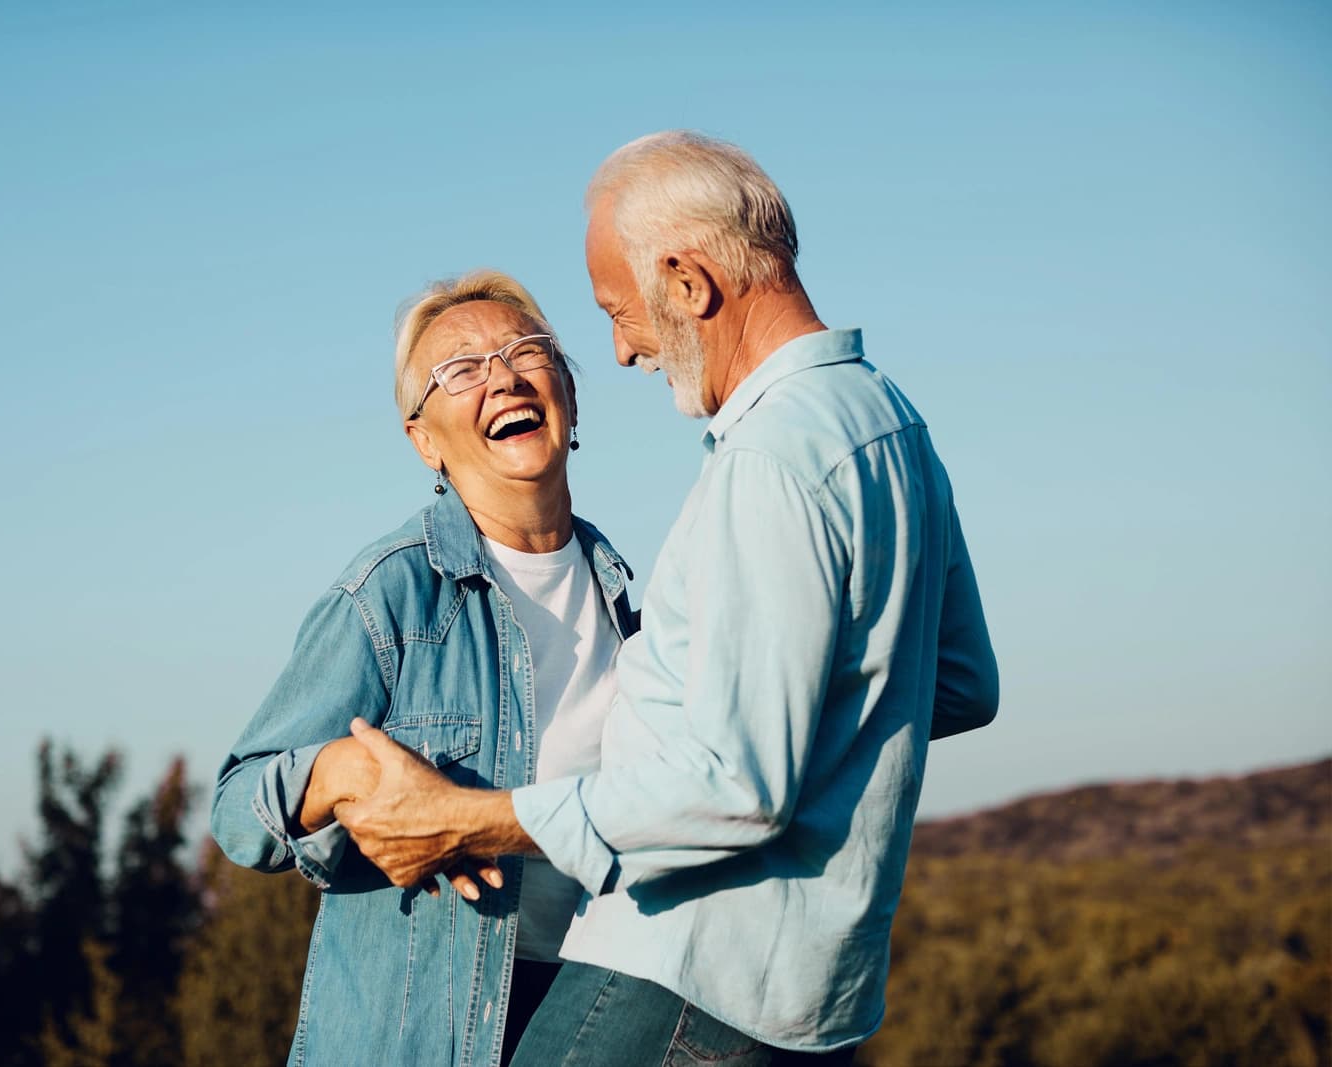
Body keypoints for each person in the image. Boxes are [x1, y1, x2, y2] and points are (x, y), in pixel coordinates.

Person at [336, 131, 1001, 1066]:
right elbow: (963, 683)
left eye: (621, 311)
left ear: (689, 284)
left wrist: (470, 817)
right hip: (819, 998)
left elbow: (736, 785)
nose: (620, 350)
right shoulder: (889, 420)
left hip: (683, 975)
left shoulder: (768, 464)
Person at [209, 270, 639, 1066]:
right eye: (461, 370)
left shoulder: (627, 596)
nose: (503, 377)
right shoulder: (392, 591)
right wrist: (339, 770)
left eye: (526, 352)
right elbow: (238, 806)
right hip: (423, 1038)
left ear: (569, 395)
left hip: (589, 1010)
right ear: (424, 439)